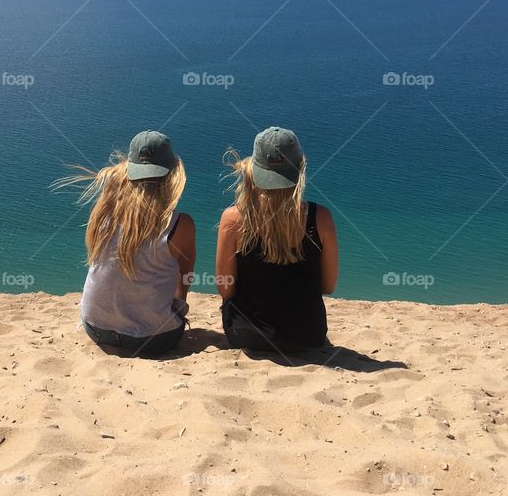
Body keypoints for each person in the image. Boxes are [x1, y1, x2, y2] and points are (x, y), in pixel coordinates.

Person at [57, 131, 196, 356]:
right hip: (152, 339)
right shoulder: (180, 224)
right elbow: (186, 274)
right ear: (172, 174)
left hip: (95, 328)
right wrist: (179, 304)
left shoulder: (103, 212)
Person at [216, 127, 338, 352]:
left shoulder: (233, 218)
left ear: (253, 167)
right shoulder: (320, 218)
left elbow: (226, 289)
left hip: (248, 335)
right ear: (300, 167)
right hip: (308, 336)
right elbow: (328, 286)